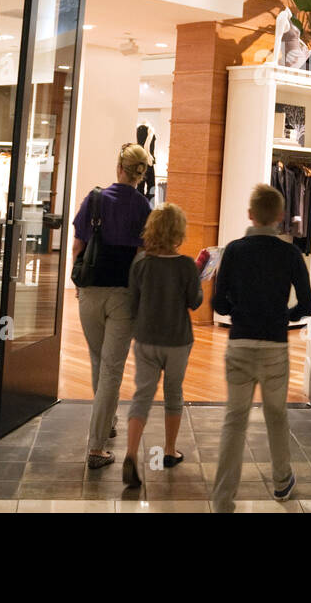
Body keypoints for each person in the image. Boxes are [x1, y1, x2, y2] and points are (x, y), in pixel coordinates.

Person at [210, 184, 311, 513]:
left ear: (250, 215)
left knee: (234, 420)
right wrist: (285, 316)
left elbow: (218, 304)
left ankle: (223, 498)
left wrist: (237, 308)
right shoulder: (290, 254)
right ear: (281, 217)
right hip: (274, 345)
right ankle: (282, 481)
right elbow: (308, 305)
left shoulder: (234, 250)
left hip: (239, 342)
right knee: (276, 416)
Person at [74, 143, 152, 469]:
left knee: (98, 361)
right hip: (123, 295)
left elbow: (79, 244)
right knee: (111, 370)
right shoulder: (144, 207)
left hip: (90, 291)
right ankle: (96, 446)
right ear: (140, 173)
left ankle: (105, 425)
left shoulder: (94, 199)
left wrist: (78, 283)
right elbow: (143, 254)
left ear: (119, 166)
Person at [122, 202, 202, 487]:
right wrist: (201, 277)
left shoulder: (140, 263)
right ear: (179, 232)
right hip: (178, 340)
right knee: (173, 392)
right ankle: (169, 450)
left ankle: (131, 452)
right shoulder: (186, 266)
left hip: (145, 338)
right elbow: (194, 301)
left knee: (141, 395)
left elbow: (132, 305)